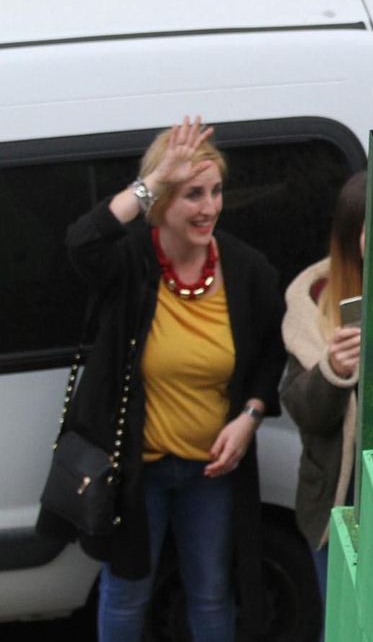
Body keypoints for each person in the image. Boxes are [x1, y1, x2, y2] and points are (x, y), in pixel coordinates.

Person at [40, 118, 287, 641]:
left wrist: (251, 415)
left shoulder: (248, 272)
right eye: (192, 194)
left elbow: (270, 355)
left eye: (216, 191)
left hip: (212, 475)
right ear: (161, 203)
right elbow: (82, 242)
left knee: (212, 593)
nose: (209, 207)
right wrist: (153, 179)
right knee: (127, 592)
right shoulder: (130, 263)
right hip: (137, 472)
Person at [281, 172, 373, 613]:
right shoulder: (317, 304)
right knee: (342, 622)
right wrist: (332, 370)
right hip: (338, 504)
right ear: (353, 234)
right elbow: (303, 411)